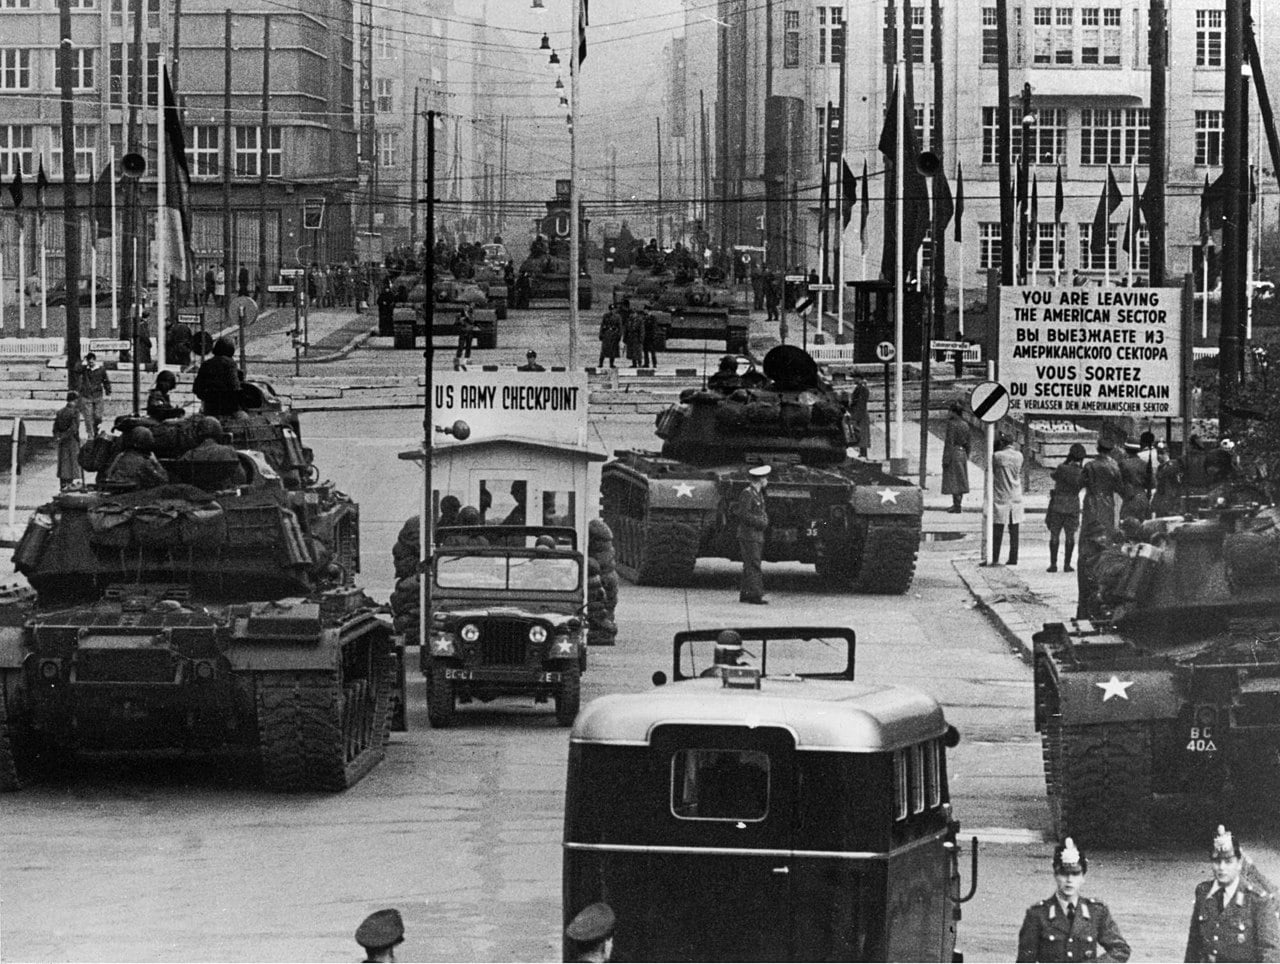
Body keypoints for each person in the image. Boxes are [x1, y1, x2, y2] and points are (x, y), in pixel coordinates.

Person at [1017, 838, 1131, 963]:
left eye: (1076, 874)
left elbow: (1120, 950)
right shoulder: (1038, 914)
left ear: (1083, 877)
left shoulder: (1096, 912)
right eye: (1063, 873)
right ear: (1055, 875)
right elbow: (1025, 960)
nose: (1069, 880)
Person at [1185, 825, 1280, 963]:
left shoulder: (1258, 901)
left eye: (1228, 861)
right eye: (1217, 861)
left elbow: (1270, 954)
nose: (1222, 867)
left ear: (1239, 863)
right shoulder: (1203, 893)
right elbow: (1193, 948)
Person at [1077, 437, 1122, 618]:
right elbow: (1119, 486)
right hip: (1107, 504)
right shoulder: (1114, 466)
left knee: (1088, 542)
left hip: (1092, 502)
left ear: (1097, 448)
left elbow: (1080, 483)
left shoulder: (1090, 465)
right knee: (1105, 540)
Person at [1046, 443, 1086, 573]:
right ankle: (1067, 564)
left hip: (1058, 503)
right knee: (1070, 535)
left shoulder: (1062, 468)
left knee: (1054, 534)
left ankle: (1053, 564)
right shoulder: (1081, 472)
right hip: (1073, 504)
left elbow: (1054, 475)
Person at [177, 416, 247, 486]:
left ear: (197, 434)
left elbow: (179, 479)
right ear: (219, 432)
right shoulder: (228, 451)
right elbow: (241, 479)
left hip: (196, 494)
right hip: (222, 494)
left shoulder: (189, 455)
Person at [737, 464, 770, 604]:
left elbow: (760, 512)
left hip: (755, 535)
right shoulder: (747, 493)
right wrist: (760, 522)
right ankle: (756, 595)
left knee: (749, 564)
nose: (767, 481)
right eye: (766, 478)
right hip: (749, 534)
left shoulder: (758, 494)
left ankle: (745, 594)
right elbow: (743, 514)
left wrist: (764, 519)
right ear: (761, 479)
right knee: (754, 564)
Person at [991, 433, 1024, 565]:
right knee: (1014, 530)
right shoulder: (1019, 456)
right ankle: (1013, 557)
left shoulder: (998, 456)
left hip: (1001, 494)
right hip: (1015, 494)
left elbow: (993, 470)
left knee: (997, 529)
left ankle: (994, 557)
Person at [103, 426, 169, 490]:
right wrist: (156, 463)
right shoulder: (145, 462)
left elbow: (108, 474)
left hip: (114, 489)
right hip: (132, 494)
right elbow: (163, 481)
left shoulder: (120, 456)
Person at [193, 336, 243, 416]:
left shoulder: (206, 364)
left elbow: (196, 388)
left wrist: (208, 397)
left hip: (210, 407)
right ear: (231, 350)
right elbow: (234, 386)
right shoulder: (230, 363)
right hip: (227, 407)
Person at [941, 400, 970, 513]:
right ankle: (958, 503)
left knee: (954, 480)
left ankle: (956, 505)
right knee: (961, 479)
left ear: (954, 412)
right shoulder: (965, 424)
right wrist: (967, 454)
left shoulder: (952, 424)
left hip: (953, 453)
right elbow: (969, 442)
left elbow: (949, 442)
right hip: (962, 453)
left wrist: (945, 459)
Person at [74, 351, 111, 436]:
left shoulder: (101, 370)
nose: (90, 364)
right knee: (88, 417)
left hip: (98, 395)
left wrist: (108, 392)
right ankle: (90, 435)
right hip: (86, 396)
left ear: (95, 360)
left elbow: (106, 381)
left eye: (92, 362)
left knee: (98, 416)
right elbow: (76, 369)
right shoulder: (84, 369)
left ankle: (96, 430)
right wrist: (82, 361)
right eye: (89, 362)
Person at [53, 391, 81, 490]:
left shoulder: (60, 412)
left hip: (62, 441)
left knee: (63, 462)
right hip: (71, 440)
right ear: (75, 400)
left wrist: (58, 437)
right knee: (71, 463)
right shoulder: (75, 412)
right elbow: (74, 428)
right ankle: (69, 485)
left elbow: (55, 427)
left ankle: (63, 484)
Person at [1118, 441, 1153, 522]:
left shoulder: (1123, 464)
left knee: (1127, 526)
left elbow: (1118, 483)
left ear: (1126, 450)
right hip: (1143, 498)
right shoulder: (1145, 464)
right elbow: (1151, 484)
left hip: (1129, 499)